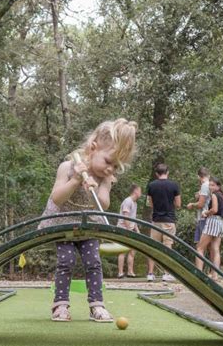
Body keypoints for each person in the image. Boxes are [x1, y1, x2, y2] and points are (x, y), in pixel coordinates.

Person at [39, 119, 137, 322]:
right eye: (108, 162)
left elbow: (104, 204)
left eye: (116, 167)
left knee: (93, 262)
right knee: (66, 261)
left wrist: (98, 188)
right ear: (93, 148)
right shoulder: (67, 167)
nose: (110, 169)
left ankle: (96, 305)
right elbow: (57, 198)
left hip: (88, 225)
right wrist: (75, 180)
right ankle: (60, 305)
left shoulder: (104, 178)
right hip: (64, 224)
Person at [145, 163, 181, 282]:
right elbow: (178, 204)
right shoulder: (174, 185)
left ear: (156, 174)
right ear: (167, 172)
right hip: (169, 220)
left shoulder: (151, 185)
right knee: (168, 246)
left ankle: (150, 273)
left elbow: (150, 203)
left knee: (153, 247)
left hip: (156, 220)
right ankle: (166, 273)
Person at [196, 176, 223, 280]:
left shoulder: (214, 195)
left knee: (200, 248)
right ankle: (215, 274)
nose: (210, 187)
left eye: (213, 185)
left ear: (218, 186)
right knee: (216, 249)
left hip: (213, 221)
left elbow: (214, 209)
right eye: (209, 185)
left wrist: (206, 213)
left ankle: (199, 273)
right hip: (221, 223)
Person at [117, 184, 142, 278]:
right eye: (140, 190)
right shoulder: (128, 201)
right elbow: (125, 216)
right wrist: (128, 230)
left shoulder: (135, 203)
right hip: (123, 229)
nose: (141, 193)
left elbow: (133, 219)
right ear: (135, 191)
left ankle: (130, 272)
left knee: (132, 251)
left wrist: (137, 230)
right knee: (122, 250)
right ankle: (120, 272)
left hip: (131, 229)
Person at [186, 167, 210, 244]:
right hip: (208, 217)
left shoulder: (204, 185)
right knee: (209, 246)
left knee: (200, 246)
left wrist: (192, 204)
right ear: (208, 175)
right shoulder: (211, 185)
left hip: (203, 218)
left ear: (198, 176)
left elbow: (200, 204)